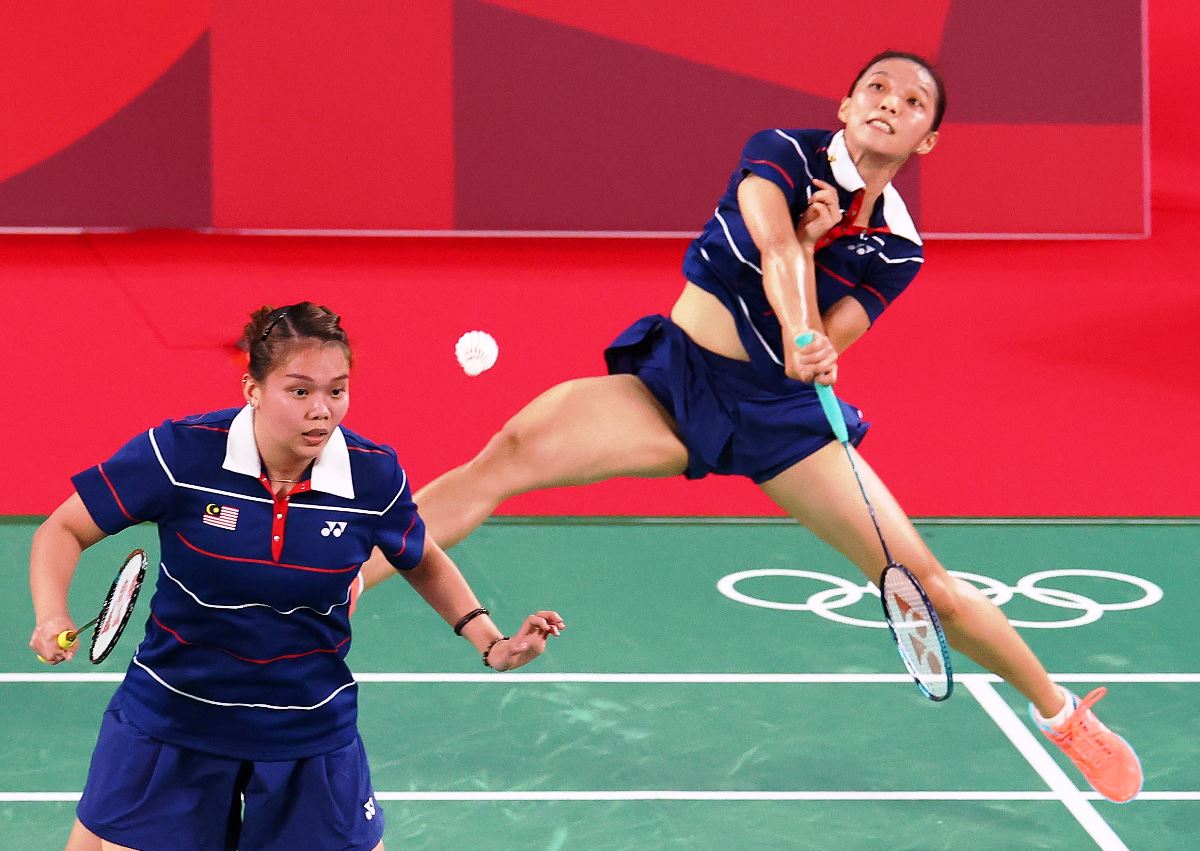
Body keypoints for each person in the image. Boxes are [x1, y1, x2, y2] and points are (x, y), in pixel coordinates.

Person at [357, 51, 1142, 803]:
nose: (888, 104)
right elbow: (772, 246)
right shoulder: (783, 153)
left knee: (924, 584)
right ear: (845, 104)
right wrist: (802, 302)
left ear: (927, 138)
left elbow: (837, 332)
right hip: (676, 383)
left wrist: (817, 348)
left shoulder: (898, 245)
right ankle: (341, 580)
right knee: (507, 457)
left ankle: (1064, 714)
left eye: (912, 103)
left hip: (779, 416)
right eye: (875, 87)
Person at [30, 302, 565, 851]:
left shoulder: (371, 475)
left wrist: (492, 642)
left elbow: (421, 556)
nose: (322, 412)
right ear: (253, 389)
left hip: (306, 723)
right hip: (177, 717)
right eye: (300, 390)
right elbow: (63, 529)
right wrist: (52, 613)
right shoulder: (181, 455)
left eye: (337, 390)